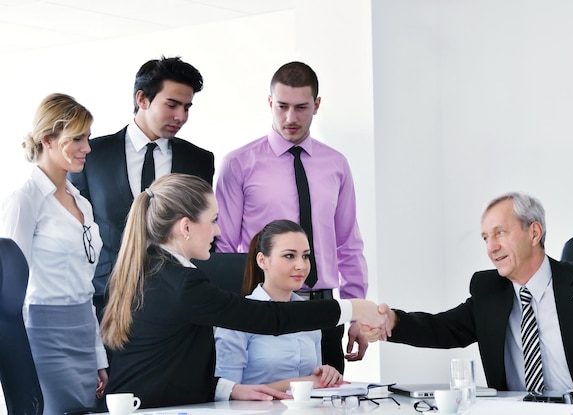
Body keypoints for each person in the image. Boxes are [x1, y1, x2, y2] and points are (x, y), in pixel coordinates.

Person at [100, 173, 386, 409]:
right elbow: (269, 318)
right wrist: (354, 308)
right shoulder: (183, 284)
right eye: (212, 220)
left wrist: (230, 389)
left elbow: (168, 362)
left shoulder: (148, 270)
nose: (218, 232)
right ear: (186, 226)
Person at [365, 192, 573, 395]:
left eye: (500, 233)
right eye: (485, 238)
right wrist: (393, 322)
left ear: (534, 233)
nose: (492, 248)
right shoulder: (488, 290)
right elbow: (442, 328)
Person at [215, 61, 368, 373]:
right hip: (263, 309)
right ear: (270, 103)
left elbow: (348, 244)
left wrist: (357, 314)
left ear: (317, 105)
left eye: (301, 107)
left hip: (324, 309)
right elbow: (225, 248)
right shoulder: (238, 164)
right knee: (264, 400)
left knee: (327, 402)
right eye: (282, 106)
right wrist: (233, 315)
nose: (290, 118)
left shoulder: (336, 164)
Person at [69, 56, 214, 320]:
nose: (181, 116)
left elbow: (203, 230)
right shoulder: (92, 156)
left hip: (177, 303)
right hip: (108, 300)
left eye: (187, 107)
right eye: (172, 105)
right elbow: (77, 232)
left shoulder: (200, 161)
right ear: (142, 99)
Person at [0, 93, 108, 414]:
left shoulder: (83, 204)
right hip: (44, 338)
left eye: (87, 137)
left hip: (84, 333)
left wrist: (98, 356)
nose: (87, 147)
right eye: (77, 138)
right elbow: (8, 293)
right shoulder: (25, 201)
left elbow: (85, 287)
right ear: (48, 139)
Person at [215, 219, 342, 391]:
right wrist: (301, 384)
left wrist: (325, 375)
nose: (301, 265)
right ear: (262, 261)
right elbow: (227, 392)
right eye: (289, 256)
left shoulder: (309, 315)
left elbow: (313, 381)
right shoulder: (238, 317)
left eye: (305, 256)